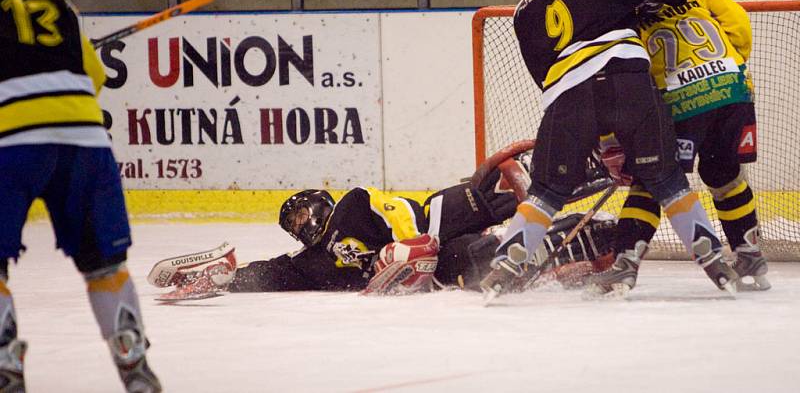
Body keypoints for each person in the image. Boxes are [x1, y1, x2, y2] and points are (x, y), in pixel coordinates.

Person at [480, 0, 738, 302]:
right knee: (666, 177)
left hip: (567, 96)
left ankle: (503, 269)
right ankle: (715, 262)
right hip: (627, 78)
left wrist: (598, 137)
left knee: (548, 190)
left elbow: (544, 77)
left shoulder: (524, 9)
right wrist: (640, 2)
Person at [0, 0, 160, 392]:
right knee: (104, 266)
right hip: (86, 145)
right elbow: (94, 77)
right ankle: (135, 367)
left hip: (11, 144)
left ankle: (6, 366)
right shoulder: (58, 2)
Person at [147, 144, 618, 299]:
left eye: (304, 212)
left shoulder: (352, 204)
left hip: (439, 216)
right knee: (478, 265)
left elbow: (395, 213)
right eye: (294, 224)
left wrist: (408, 244)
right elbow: (275, 272)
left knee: (503, 190)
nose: (302, 225)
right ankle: (588, 241)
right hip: (437, 264)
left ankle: (599, 164)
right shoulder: (312, 264)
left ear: (321, 202)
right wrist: (228, 279)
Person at [592, 0, 769, 292]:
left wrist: (613, 139)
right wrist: (729, 64)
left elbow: (620, 80)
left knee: (652, 179)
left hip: (682, 100)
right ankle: (749, 255)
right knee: (724, 175)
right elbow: (738, 22)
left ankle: (624, 265)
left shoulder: (620, 15)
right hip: (734, 89)